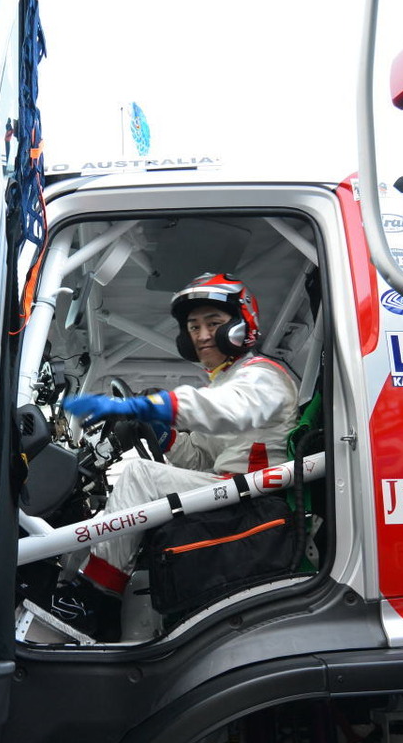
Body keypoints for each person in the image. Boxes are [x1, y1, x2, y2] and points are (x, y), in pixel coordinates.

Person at [58, 273, 299, 640]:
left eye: (213, 324)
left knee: (139, 475)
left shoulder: (264, 375)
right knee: (134, 484)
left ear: (241, 326)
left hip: (254, 497)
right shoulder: (223, 382)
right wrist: (165, 436)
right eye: (193, 326)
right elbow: (202, 456)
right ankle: (69, 584)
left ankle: (95, 602)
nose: (202, 335)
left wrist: (147, 406)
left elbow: (227, 410)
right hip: (230, 489)